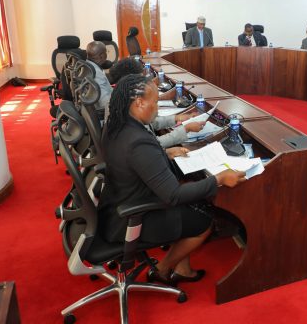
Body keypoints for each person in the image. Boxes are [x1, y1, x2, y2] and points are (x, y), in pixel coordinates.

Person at [99, 74, 246, 286]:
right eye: (155, 102)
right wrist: (218, 179)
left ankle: (182, 269)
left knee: (190, 195)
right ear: (139, 103)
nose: (157, 108)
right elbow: (173, 196)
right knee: (204, 220)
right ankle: (162, 270)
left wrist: (164, 154)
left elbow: (134, 162)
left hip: (116, 206)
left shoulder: (117, 126)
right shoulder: (138, 141)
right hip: (130, 219)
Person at [86, 41, 113, 110]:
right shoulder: (97, 74)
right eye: (106, 52)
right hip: (107, 111)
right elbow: (105, 103)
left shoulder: (88, 65)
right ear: (102, 56)